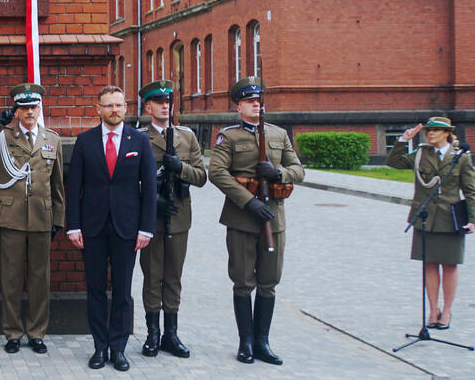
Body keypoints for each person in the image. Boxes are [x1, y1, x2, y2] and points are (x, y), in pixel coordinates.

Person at [208, 76, 304, 366]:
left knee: (269, 281)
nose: (256, 105)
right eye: (250, 101)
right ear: (239, 106)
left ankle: (263, 341)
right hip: (242, 219)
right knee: (243, 282)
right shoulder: (229, 137)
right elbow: (217, 173)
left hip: (273, 220)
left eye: (259, 101)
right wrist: (248, 201)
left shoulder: (278, 134)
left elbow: (297, 169)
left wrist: (278, 174)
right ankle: (245, 342)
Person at [66, 85, 157, 372]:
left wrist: (146, 228)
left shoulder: (139, 142)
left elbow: (149, 189)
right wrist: (73, 226)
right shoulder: (85, 141)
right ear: (98, 109)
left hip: (127, 228)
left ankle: (118, 348)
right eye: (108, 106)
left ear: (126, 108)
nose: (114, 110)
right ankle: (99, 347)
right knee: (94, 289)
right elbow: (73, 188)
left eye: (118, 105)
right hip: (91, 227)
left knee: (122, 290)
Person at [0, 83, 64, 355]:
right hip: (10, 217)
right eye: (23, 108)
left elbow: (57, 184)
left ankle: (36, 333)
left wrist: (58, 217)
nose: (29, 112)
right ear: (16, 111)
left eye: (34, 107)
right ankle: (12, 332)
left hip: (41, 218)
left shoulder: (52, 139)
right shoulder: (3, 136)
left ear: (40, 108)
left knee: (39, 279)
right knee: (10, 279)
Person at [136, 80, 207, 359]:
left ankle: (171, 334)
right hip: (151, 218)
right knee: (153, 275)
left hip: (178, 217)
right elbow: (130, 180)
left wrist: (182, 168)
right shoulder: (139, 137)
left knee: (174, 277)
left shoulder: (186, 137)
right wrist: (153, 201)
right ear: (148, 107)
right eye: (159, 101)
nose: (165, 105)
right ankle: (152, 334)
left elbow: (201, 177)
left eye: (168, 101)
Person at [386, 116, 475, 330]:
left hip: (450, 217)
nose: (430, 134)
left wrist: (472, 219)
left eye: (436, 130)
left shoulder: (461, 157)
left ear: (447, 133)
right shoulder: (421, 154)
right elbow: (393, 162)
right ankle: (433, 309)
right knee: (429, 264)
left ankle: (446, 310)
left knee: (450, 264)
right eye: (428, 130)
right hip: (425, 216)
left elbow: (470, 190)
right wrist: (403, 139)